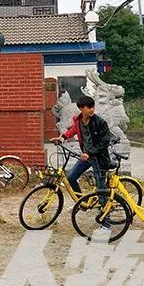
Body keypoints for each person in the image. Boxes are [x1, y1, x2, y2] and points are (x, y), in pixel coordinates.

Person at [50, 95, 114, 230]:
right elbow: (74, 130)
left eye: (93, 107)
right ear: (81, 109)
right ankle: (83, 202)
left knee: (101, 189)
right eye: (89, 107)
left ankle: (106, 224)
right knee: (71, 178)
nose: (92, 110)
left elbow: (105, 141)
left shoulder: (100, 122)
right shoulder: (78, 120)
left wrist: (90, 153)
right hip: (86, 157)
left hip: (99, 158)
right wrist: (62, 137)